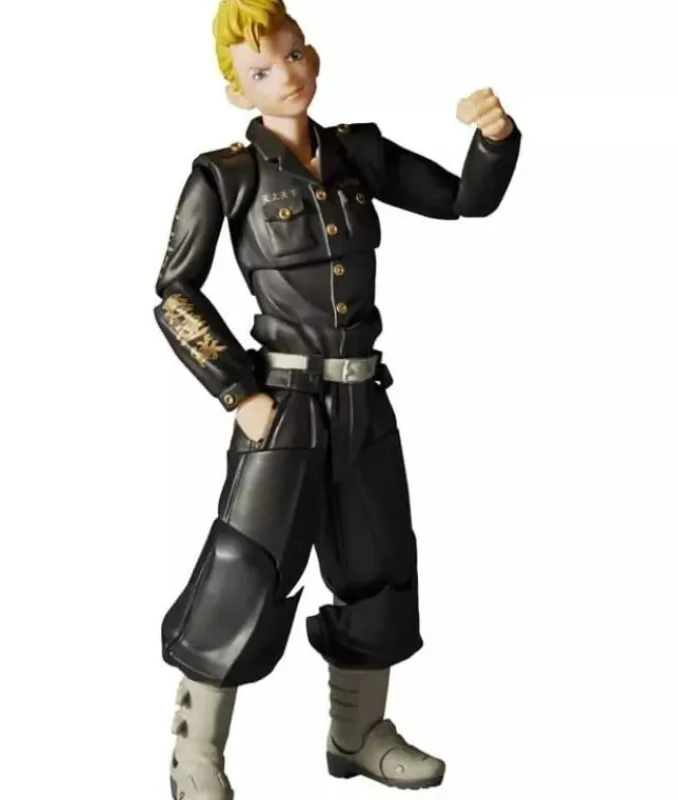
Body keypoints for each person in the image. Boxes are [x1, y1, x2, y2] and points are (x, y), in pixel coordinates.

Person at [154, 1, 521, 797]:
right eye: (261, 70)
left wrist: (494, 141)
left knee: (380, 566)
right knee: (246, 573)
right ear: (237, 92)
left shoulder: (358, 153)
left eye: (293, 56)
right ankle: (195, 754)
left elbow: (464, 199)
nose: (285, 77)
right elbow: (174, 293)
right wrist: (238, 392)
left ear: (311, 56)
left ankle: (357, 735)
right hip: (282, 404)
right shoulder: (226, 175)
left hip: (364, 399)